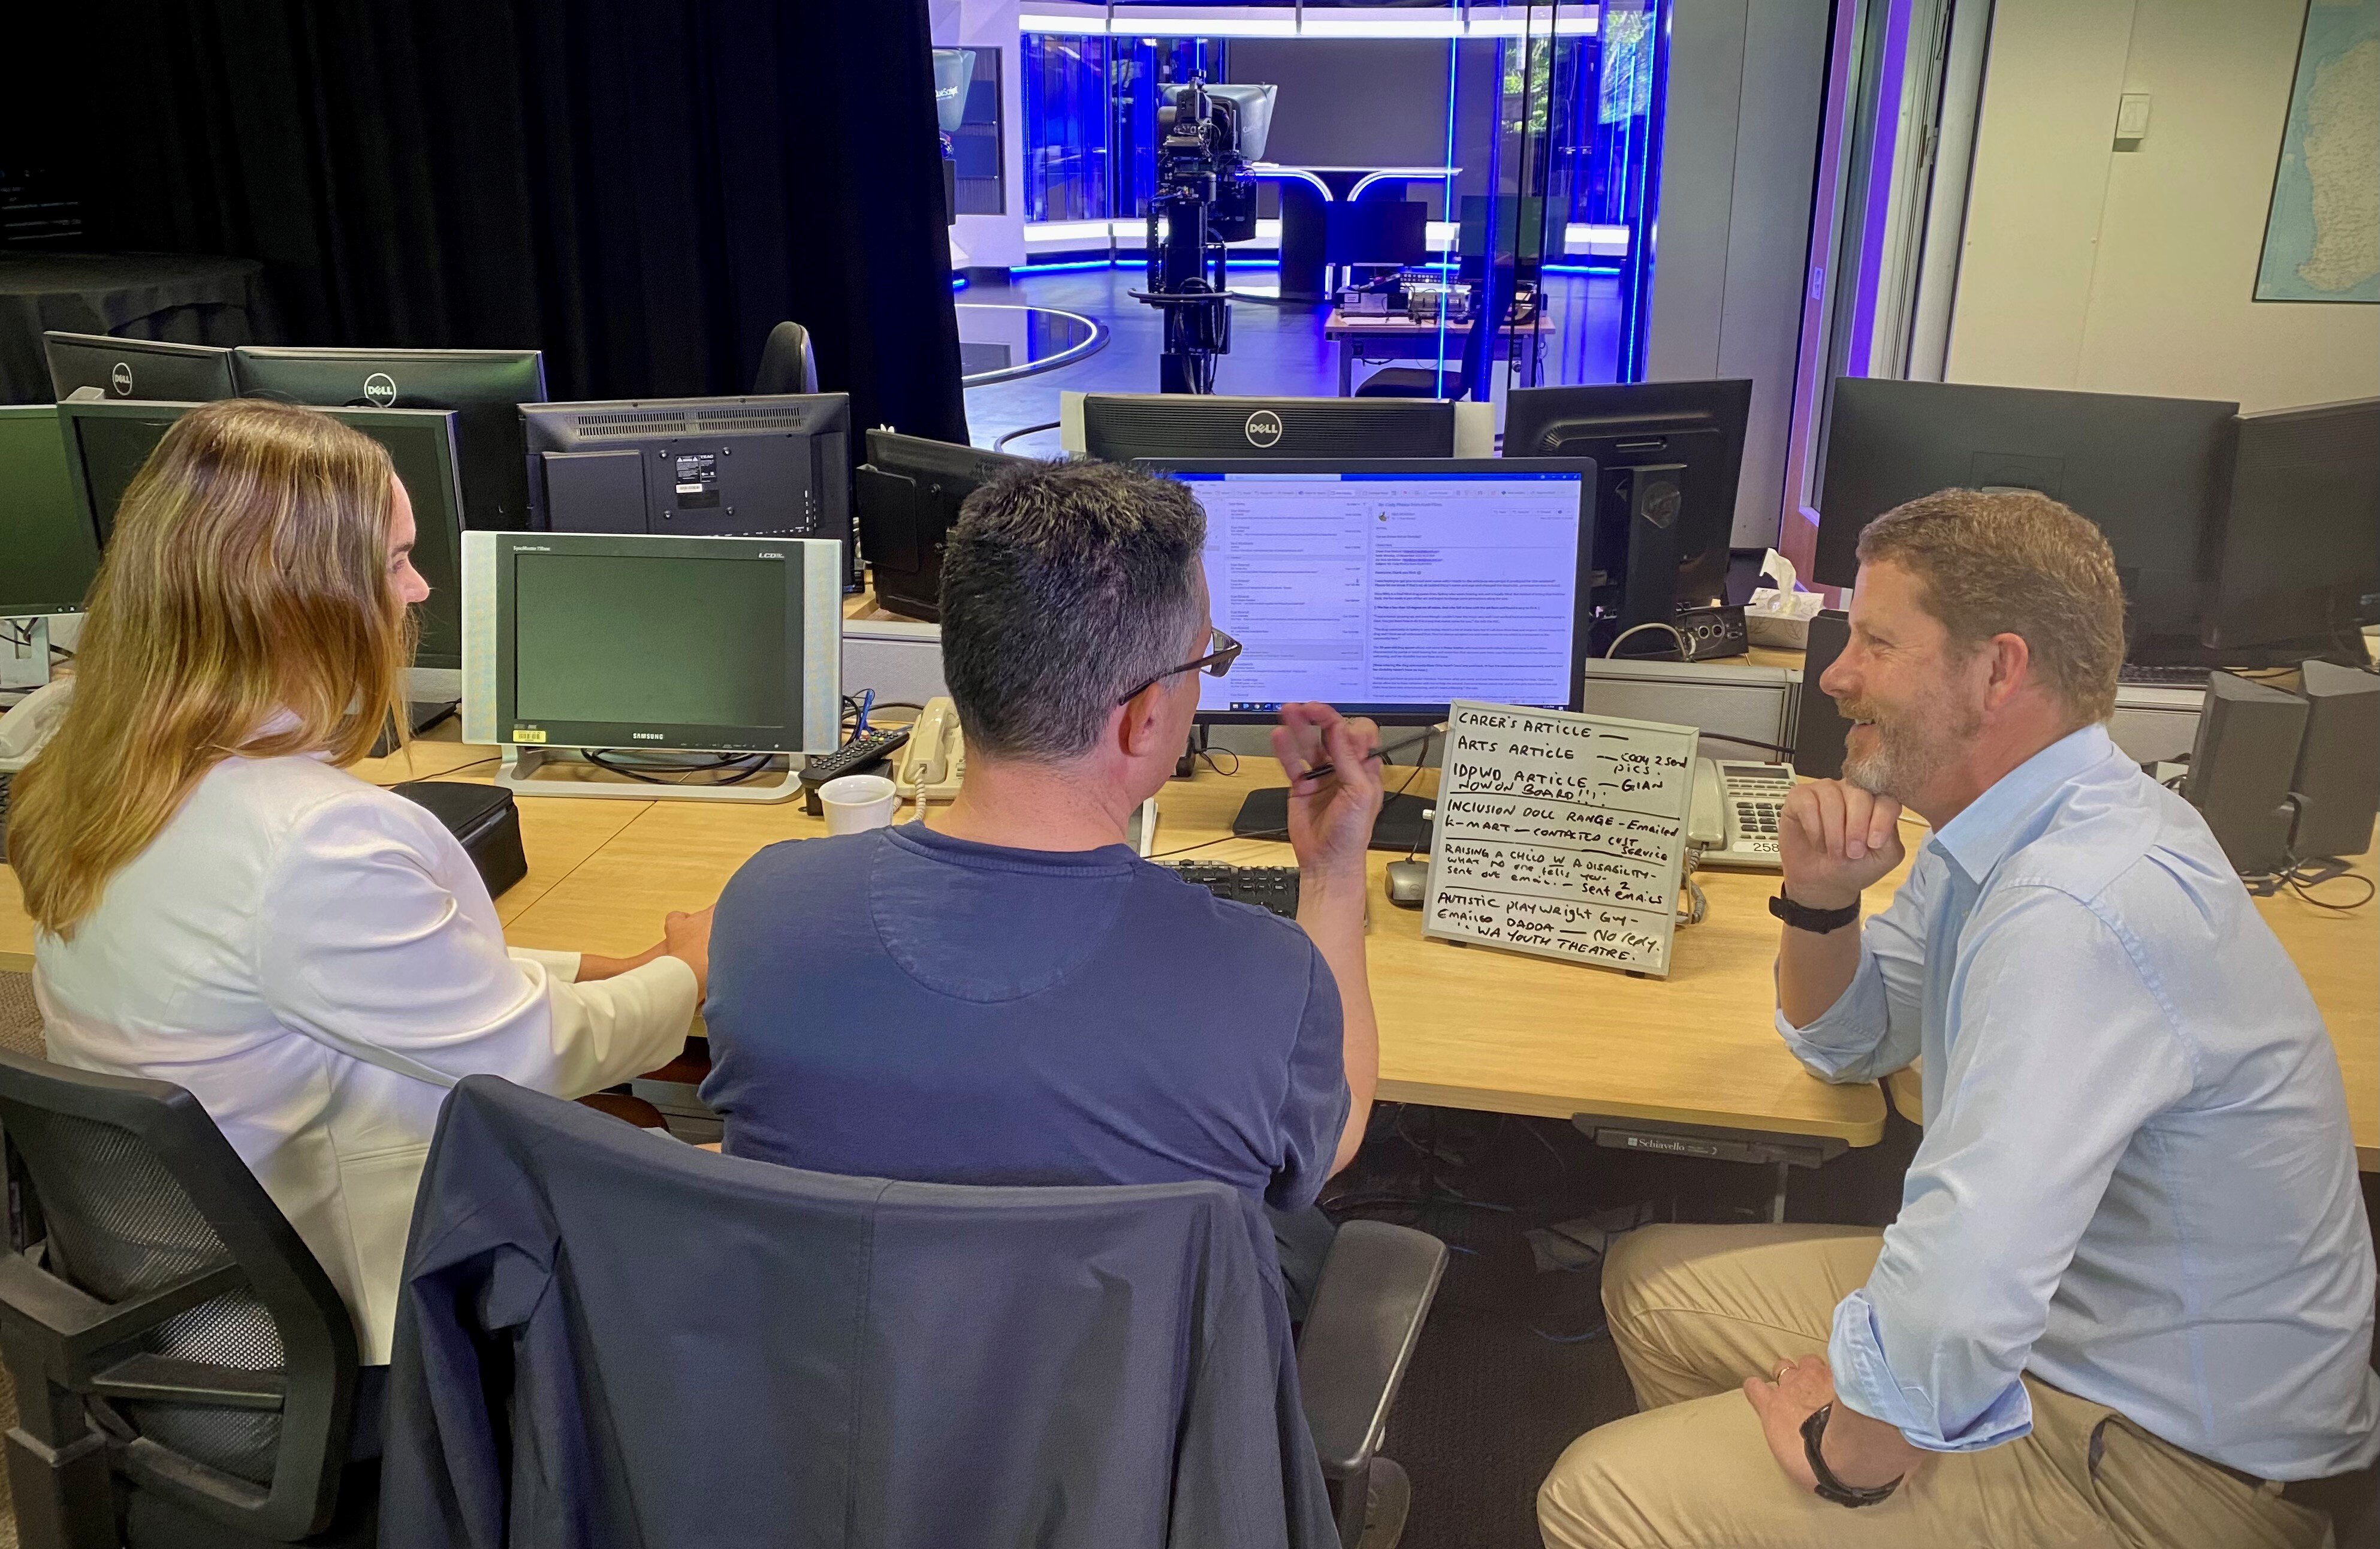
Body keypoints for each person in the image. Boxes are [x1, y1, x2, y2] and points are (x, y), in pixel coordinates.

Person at [1537, 490, 2376, 1548]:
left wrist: (1845, 1459)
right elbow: (1849, 1041)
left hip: (2174, 1464)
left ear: (1998, 672)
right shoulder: (2019, 823)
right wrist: (1821, 898)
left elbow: (1970, 1275)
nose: (1837, 673)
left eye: (1877, 642)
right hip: (2079, 1334)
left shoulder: (2070, 906)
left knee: (1596, 1494)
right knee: (1652, 1284)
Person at [11, 399, 710, 1376]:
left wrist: (604, 965)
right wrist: (688, 972)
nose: (418, 588)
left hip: (192, 1291)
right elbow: (531, 1058)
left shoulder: (99, 770)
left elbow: (343, 967)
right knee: (691, 1183)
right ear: (292, 594)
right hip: (330, 1326)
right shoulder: (315, 841)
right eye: (392, 561)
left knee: (631, 1129)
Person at [700, 458, 1381, 1311]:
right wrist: (1331, 871)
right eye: (1207, 658)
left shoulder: (764, 910)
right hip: (1125, 1433)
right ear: (1142, 718)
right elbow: (1340, 1131)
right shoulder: (1265, 978)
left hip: (827, 1413)